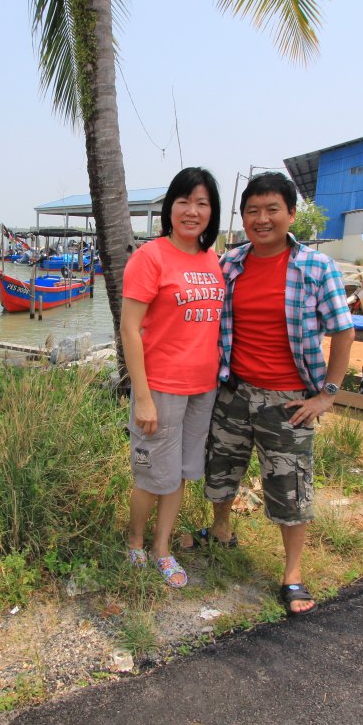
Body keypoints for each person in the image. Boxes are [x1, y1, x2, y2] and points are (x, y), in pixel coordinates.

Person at [199, 171, 353, 617]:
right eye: (252, 211)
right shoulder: (231, 263)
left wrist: (327, 394)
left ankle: (292, 573)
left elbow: (344, 332)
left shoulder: (315, 267)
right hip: (234, 390)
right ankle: (222, 531)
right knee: (220, 468)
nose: (261, 220)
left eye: (271, 210)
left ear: (291, 214)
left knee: (290, 486)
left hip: (287, 399)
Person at [120, 167, 225, 588]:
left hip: (203, 387)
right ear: (170, 208)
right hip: (160, 387)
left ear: (212, 212)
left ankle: (162, 548)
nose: (192, 210)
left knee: (179, 473)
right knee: (151, 476)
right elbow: (130, 329)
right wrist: (141, 396)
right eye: (184, 201)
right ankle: (134, 541)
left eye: (202, 203)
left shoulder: (212, 259)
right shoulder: (150, 257)